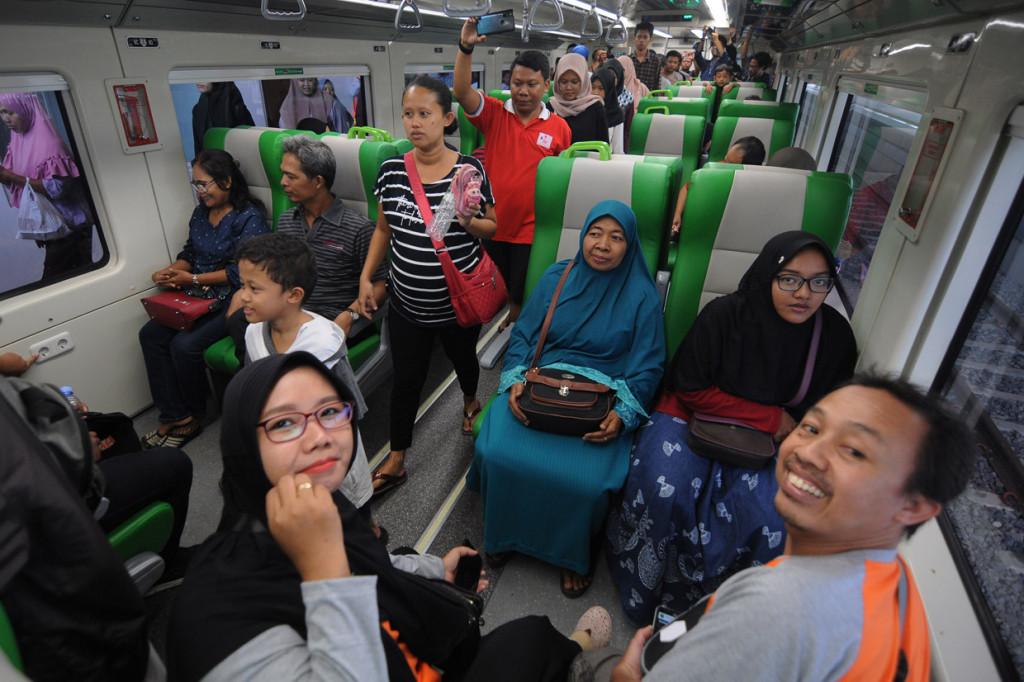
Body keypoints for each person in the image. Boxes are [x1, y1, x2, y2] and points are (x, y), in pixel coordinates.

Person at [166, 352, 613, 682]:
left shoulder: (319, 507)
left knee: (517, 628)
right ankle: (580, 652)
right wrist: (325, 570)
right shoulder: (214, 615)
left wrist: (436, 568)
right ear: (243, 445)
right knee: (529, 643)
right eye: (284, 423)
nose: (320, 437)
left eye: (329, 412)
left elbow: (371, 565)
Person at [581, 375, 976, 682]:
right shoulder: (898, 585)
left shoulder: (776, 606)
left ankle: (576, 647)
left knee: (541, 648)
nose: (808, 453)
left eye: (854, 451)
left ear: (914, 505)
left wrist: (627, 677)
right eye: (811, 428)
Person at [607, 231, 857, 625]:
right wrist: (770, 419)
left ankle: (724, 613)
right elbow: (689, 386)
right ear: (767, 275)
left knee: (772, 513)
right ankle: (645, 596)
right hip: (691, 412)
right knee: (665, 487)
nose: (803, 293)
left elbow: (831, 408)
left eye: (819, 282)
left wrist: (795, 432)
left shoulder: (833, 337)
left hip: (770, 438)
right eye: (789, 279)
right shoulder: (725, 315)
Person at [469, 201, 665, 598]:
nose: (603, 245)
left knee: (586, 481)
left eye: (616, 237)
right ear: (583, 235)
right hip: (541, 382)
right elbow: (524, 333)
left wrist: (625, 414)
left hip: (604, 395)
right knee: (496, 452)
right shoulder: (558, 276)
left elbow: (648, 364)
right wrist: (515, 380)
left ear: (630, 247)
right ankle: (505, 534)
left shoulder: (642, 295)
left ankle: (571, 554)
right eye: (595, 233)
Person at [357, 76, 497, 497]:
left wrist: (470, 221)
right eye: (408, 114)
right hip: (406, 303)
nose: (414, 123)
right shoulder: (391, 170)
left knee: (463, 361)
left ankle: (470, 399)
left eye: (425, 114)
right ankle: (397, 459)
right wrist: (367, 276)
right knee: (406, 381)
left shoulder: (469, 170)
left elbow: (493, 227)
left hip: (457, 303)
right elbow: (383, 228)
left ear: (447, 118)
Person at [0, 374, 170, 682]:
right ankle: (172, 561)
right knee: (171, 465)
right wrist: (81, 446)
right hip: (71, 627)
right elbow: (78, 491)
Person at [139, 148, 269, 449]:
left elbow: (243, 272)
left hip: (229, 298)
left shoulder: (249, 217)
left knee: (184, 346)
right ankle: (175, 414)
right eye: (195, 184)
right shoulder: (200, 213)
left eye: (204, 184)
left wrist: (192, 279)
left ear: (226, 181)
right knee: (150, 335)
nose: (199, 192)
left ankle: (195, 416)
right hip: (196, 294)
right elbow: (190, 254)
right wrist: (173, 271)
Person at [454, 19, 571, 325]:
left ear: (546, 85)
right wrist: (466, 48)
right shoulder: (494, 113)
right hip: (492, 224)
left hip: (533, 230)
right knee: (495, 290)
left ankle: (514, 346)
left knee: (521, 296)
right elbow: (462, 91)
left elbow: (563, 184)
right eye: (516, 83)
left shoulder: (559, 128)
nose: (522, 91)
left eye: (531, 84)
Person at [274, 134, 388, 343]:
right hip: (290, 313)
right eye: (283, 174)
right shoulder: (285, 221)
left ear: (318, 181)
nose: (283, 182)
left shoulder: (359, 229)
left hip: (331, 320)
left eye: (291, 177)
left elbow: (380, 288)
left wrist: (349, 315)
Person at [0, 92, 95, 281]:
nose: (6, 119)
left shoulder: (51, 144)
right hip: (50, 226)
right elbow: (18, 183)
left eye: (10, 112)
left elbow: (58, 189)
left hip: (70, 226)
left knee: (56, 279)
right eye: (1, 113)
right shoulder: (18, 142)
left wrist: (10, 176)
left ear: (25, 110)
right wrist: (5, 177)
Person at [669, 136, 765, 236]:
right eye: (725, 159)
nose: (723, 165)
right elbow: (687, 188)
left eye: (730, 164)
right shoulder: (713, 170)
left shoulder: (757, 189)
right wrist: (677, 213)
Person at [548, 53, 608, 145]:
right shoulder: (550, 108)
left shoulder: (596, 108)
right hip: (557, 159)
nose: (568, 87)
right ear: (557, 82)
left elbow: (603, 146)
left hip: (586, 159)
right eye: (564, 82)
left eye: (574, 82)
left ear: (583, 81)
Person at [191, 82, 255, 155]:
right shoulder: (198, 110)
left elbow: (250, 145)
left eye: (203, 75)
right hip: (209, 164)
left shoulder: (235, 106)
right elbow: (198, 149)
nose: (198, 81)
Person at [591, 68, 625, 153]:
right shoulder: (584, 110)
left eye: (601, 88)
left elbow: (618, 150)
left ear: (609, 89)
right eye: (593, 87)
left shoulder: (616, 115)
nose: (595, 92)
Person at [630, 22, 663, 93]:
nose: (641, 40)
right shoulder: (628, 60)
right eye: (639, 37)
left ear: (650, 39)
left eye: (645, 37)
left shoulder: (656, 61)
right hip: (629, 100)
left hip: (648, 100)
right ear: (634, 38)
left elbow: (657, 86)